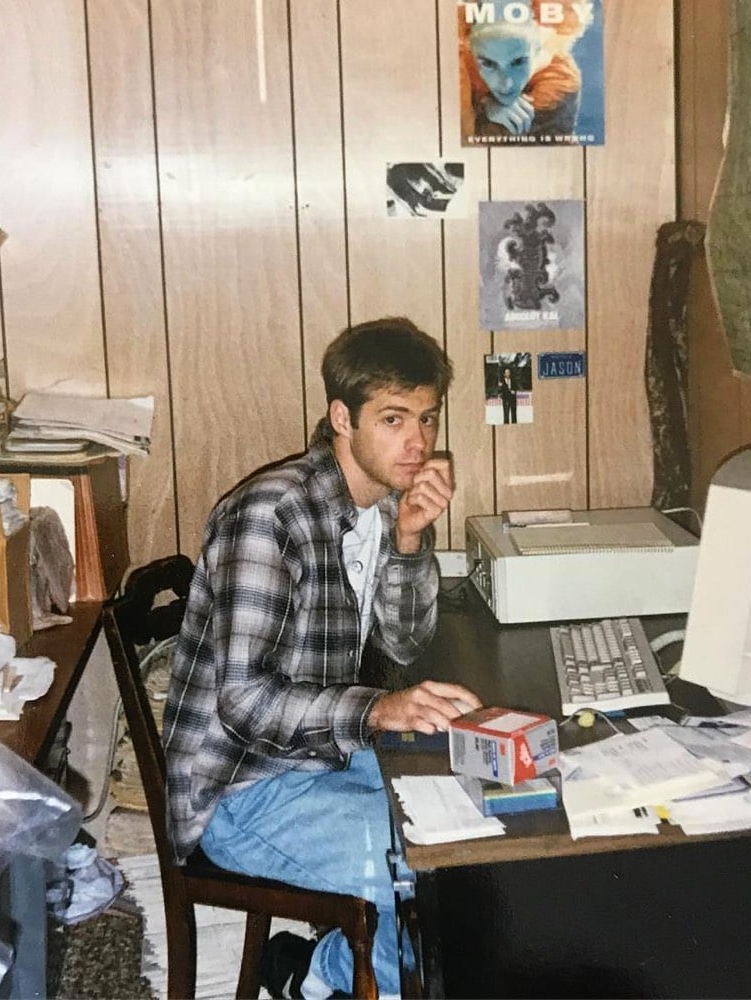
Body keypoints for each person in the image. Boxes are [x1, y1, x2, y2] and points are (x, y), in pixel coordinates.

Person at [160, 317, 482, 999]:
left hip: (318, 757)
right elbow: (245, 702)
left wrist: (410, 541)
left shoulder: (377, 504)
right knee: (455, 893)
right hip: (242, 794)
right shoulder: (271, 516)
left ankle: (320, 965)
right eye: (393, 419)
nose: (418, 442)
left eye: (426, 418)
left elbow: (403, 643)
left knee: (479, 815)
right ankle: (326, 973)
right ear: (342, 417)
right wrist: (380, 708)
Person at [461, 10, 583, 141]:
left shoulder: (559, 81)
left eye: (518, 62)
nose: (506, 84)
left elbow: (486, 140)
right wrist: (484, 104)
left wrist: (482, 110)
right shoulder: (465, 57)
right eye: (489, 64)